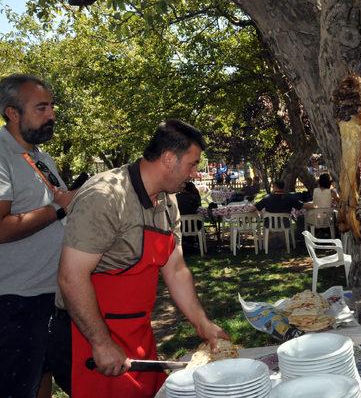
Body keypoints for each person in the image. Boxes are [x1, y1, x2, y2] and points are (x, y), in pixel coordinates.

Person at [52, 119, 229, 398]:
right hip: (88, 334)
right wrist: (101, 343)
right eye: (192, 164)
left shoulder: (168, 201)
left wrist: (202, 323)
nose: (195, 173)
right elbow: (70, 277)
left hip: (137, 332)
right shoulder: (106, 197)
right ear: (169, 159)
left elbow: (177, 269)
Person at [0, 74, 75, 398]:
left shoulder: (41, 157)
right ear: (12, 113)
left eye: (52, 106)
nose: (52, 114)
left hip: (52, 296)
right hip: (16, 302)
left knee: (43, 376)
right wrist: (59, 209)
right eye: (42, 107)